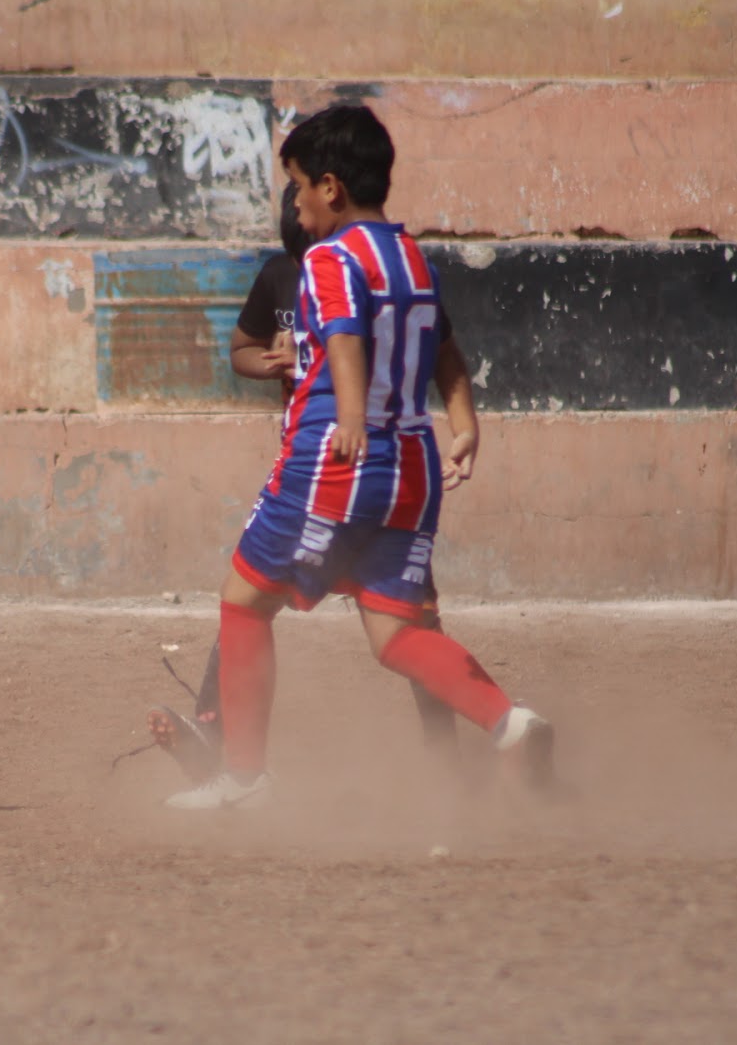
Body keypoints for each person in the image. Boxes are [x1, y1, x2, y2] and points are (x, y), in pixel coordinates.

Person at [165, 104, 553, 810]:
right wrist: (465, 422)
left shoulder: (330, 258)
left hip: (337, 461)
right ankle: (511, 724)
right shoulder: (410, 257)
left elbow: (343, 336)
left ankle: (244, 780)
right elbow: (444, 348)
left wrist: (348, 417)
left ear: (331, 187)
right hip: (413, 466)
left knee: (244, 602)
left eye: (297, 187)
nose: (295, 205)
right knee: (395, 632)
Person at [145, 184, 464, 783]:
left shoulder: (377, 275)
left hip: (377, 474)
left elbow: (434, 352)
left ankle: (447, 751)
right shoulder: (281, 276)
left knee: (413, 615)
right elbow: (242, 348)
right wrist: (269, 360)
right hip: (311, 473)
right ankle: (213, 732)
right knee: (247, 599)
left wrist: (461, 424)